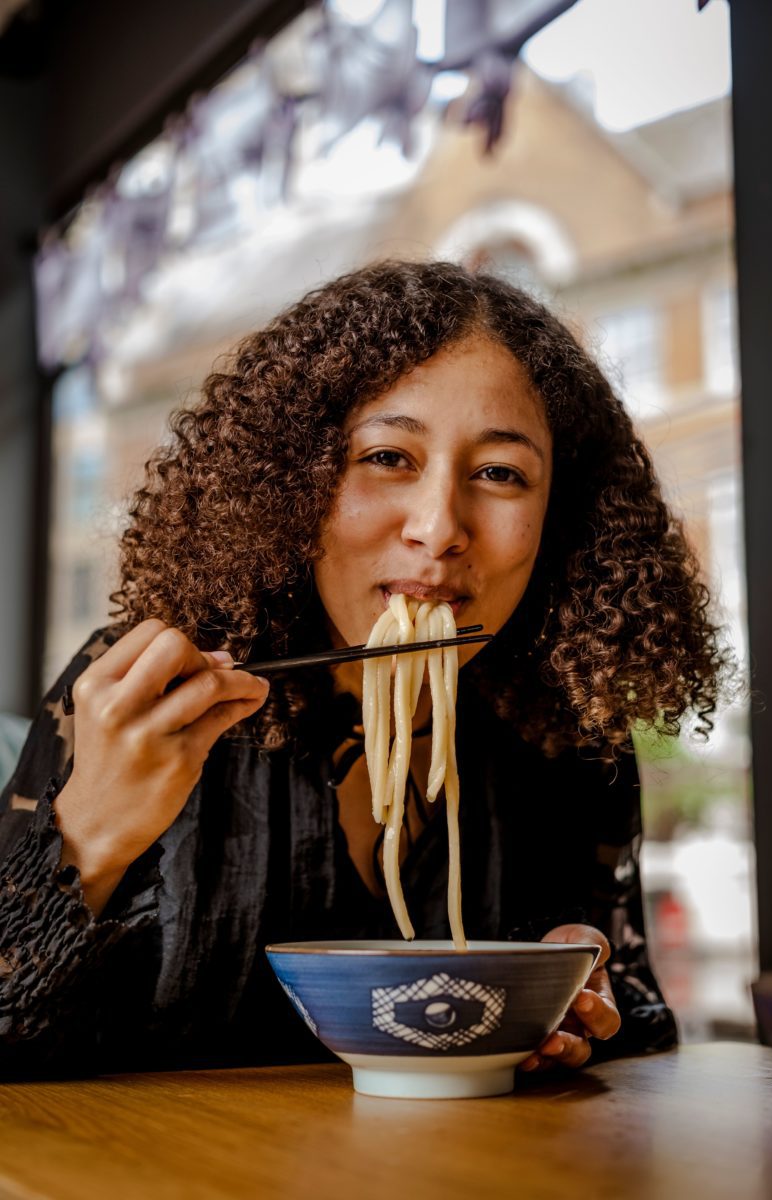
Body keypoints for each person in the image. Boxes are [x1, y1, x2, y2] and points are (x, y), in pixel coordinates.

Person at [0, 260, 728, 1078]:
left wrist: (585, 995)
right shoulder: (145, 698)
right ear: (294, 482)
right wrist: (91, 833)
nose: (438, 526)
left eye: (499, 474)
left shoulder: (565, 729)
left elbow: (632, 1004)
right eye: (388, 456)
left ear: (559, 519)